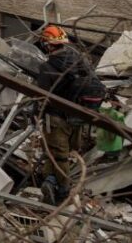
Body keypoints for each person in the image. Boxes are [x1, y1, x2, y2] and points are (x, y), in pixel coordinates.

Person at [36, 24, 104, 205]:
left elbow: (41, 97)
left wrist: (36, 115)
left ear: (48, 45)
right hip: (77, 116)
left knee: (58, 155)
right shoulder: (78, 59)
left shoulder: (47, 67)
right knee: (62, 151)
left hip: (56, 118)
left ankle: (62, 191)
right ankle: (50, 180)